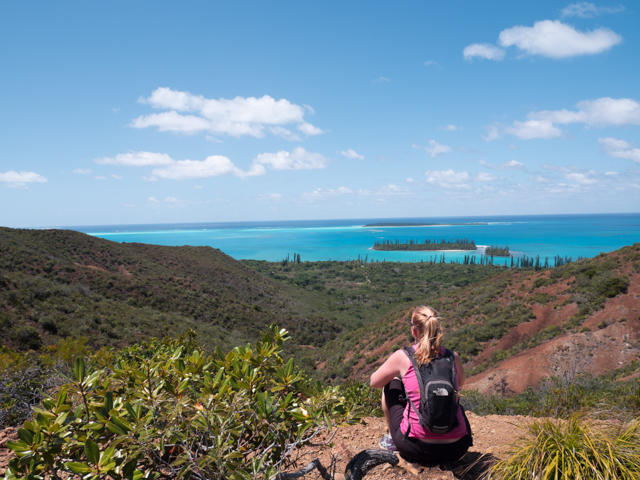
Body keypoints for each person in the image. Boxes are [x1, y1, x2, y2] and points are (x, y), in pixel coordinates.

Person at [370, 305, 471, 462]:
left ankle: (393, 438)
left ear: (414, 331)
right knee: (455, 400)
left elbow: (374, 382)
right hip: (457, 449)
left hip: (415, 448)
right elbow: (461, 382)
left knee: (391, 384)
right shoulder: (452, 357)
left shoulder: (404, 356)